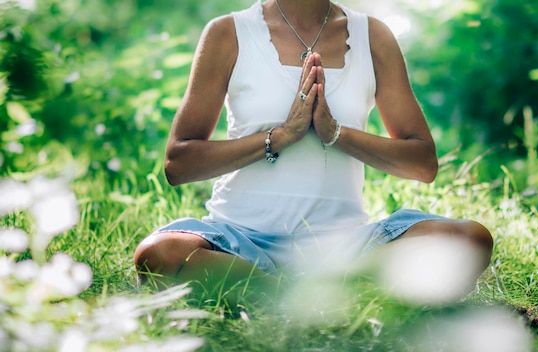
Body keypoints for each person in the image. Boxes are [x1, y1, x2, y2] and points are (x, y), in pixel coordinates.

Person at [134, 0, 493, 302]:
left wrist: (335, 133)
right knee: (159, 255)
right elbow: (178, 163)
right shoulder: (228, 33)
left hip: (346, 249)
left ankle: (306, 294)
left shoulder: (373, 36)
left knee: (468, 240)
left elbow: (423, 164)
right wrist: (280, 135)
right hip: (240, 245)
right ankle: (308, 299)